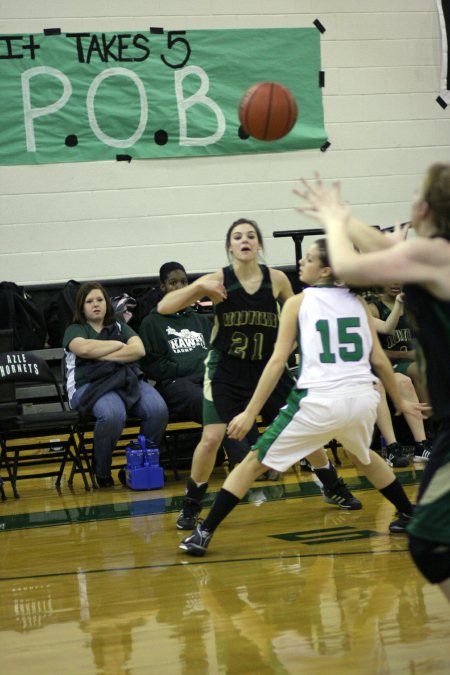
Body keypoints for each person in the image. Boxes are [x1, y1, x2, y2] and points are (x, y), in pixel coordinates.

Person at [179, 238, 426, 556]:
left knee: (254, 461)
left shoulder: (298, 303)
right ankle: (408, 512)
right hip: (362, 398)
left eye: (308, 259)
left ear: (325, 270)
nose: (301, 263)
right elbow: (378, 359)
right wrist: (401, 401)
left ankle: (203, 532)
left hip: (319, 400)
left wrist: (249, 410)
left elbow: (277, 361)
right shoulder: (358, 303)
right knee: (361, 455)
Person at [294, 163, 450, 602]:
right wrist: (342, 215)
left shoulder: (433, 254)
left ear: (421, 208)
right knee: (432, 539)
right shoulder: (431, 254)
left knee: (429, 540)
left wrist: (329, 218)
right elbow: (383, 248)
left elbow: (349, 266)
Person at [158, 219, 361, 530]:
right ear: (229, 246)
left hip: (268, 368)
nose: (245, 240)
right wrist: (197, 286)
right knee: (211, 438)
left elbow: (300, 315)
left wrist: (294, 343)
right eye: (237, 236)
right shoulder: (217, 280)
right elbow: (164, 308)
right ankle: (190, 505)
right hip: (226, 369)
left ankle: (332, 486)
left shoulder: (277, 280)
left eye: (251, 236)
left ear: (259, 245)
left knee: (302, 428)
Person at [140, 261, 250, 469]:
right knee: (216, 406)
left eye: (184, 282)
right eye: (173, 283)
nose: (180, 287)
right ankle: (244, 464)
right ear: (163, 287)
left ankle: (254, 459)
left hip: (207, 378)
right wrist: (187, 366)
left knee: (236, 399)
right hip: (175, 384)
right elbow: (151, 366)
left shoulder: (199, 321)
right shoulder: (151, 323)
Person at [63, 282, 169, 487]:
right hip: (89, 384)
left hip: (125, 379)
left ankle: (136, 463)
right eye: (89, 301)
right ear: (81, 307)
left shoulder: (120, 325)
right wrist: (118, 345)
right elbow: (84, 349)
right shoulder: (75, 329)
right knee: (113, 414)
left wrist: (102, 354)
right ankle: (101, 469)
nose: (96, 305)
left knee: (158, 409)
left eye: (100, 300)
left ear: (107, 303)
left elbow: (138, 350)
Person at [369, 283, 432, 463]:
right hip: (380, 366)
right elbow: (378, 348)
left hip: (397, 369)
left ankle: (422, 444)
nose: (395, 283)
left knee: (405, 381)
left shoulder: (412, 304)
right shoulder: (371, 307)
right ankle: (392, 446)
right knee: (414, 371)